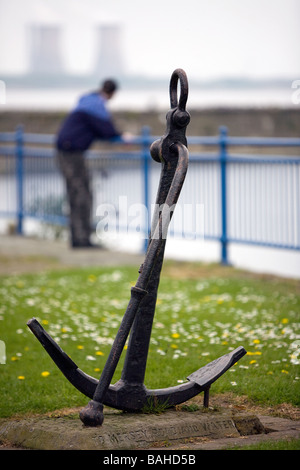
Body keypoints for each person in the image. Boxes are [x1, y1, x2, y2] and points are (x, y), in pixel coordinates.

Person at [56, 79, 123, 248]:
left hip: (66, 151)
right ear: (113, 94)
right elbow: (107, 130)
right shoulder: (96, 105)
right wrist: (122, 136)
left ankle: (78, 238)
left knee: (75, 194)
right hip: (72, 154)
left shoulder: (87, 100)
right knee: (82, 195)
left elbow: (96, 129)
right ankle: (82, 240)